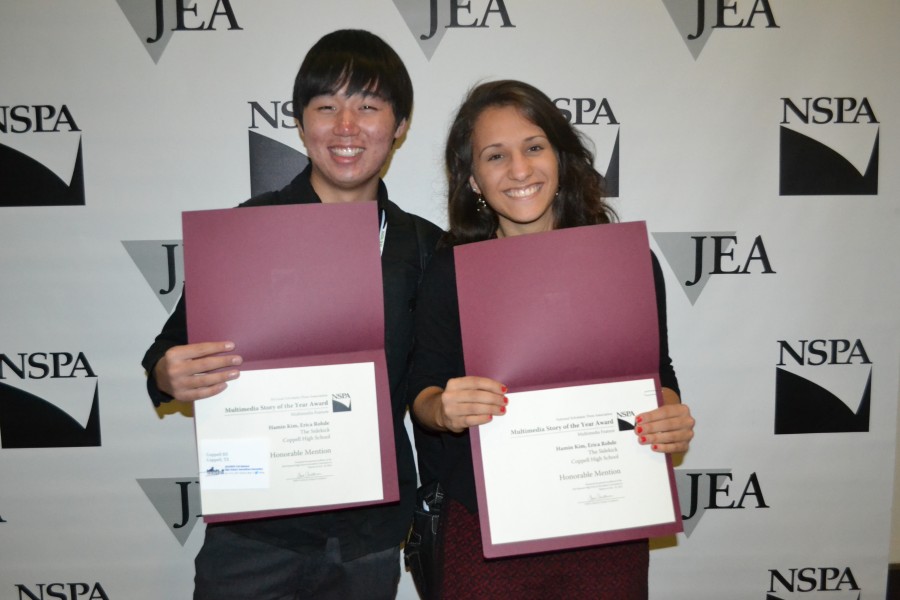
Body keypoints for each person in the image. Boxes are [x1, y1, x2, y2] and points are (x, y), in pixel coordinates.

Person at [141, 29, 442, 600]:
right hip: (256, 532)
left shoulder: (426, 248)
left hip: (370, 532)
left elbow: (437, 385)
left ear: (399, 126)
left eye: (369, 107)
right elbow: (165, 352)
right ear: (301, 124)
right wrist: (168, 373)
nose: (346, 126)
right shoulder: (245, 232)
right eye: (326, 107)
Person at [408, 80, 695, 599]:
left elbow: (659, 376)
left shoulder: (625, 264)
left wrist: (669, 415)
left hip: (607, 523)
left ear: (561, 158)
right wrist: (444, 410)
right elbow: (424, 395)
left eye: (534, 148)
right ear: (473, 179)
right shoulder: (451, 274)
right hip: (487, 528)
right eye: (496, 156)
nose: (519, 170)